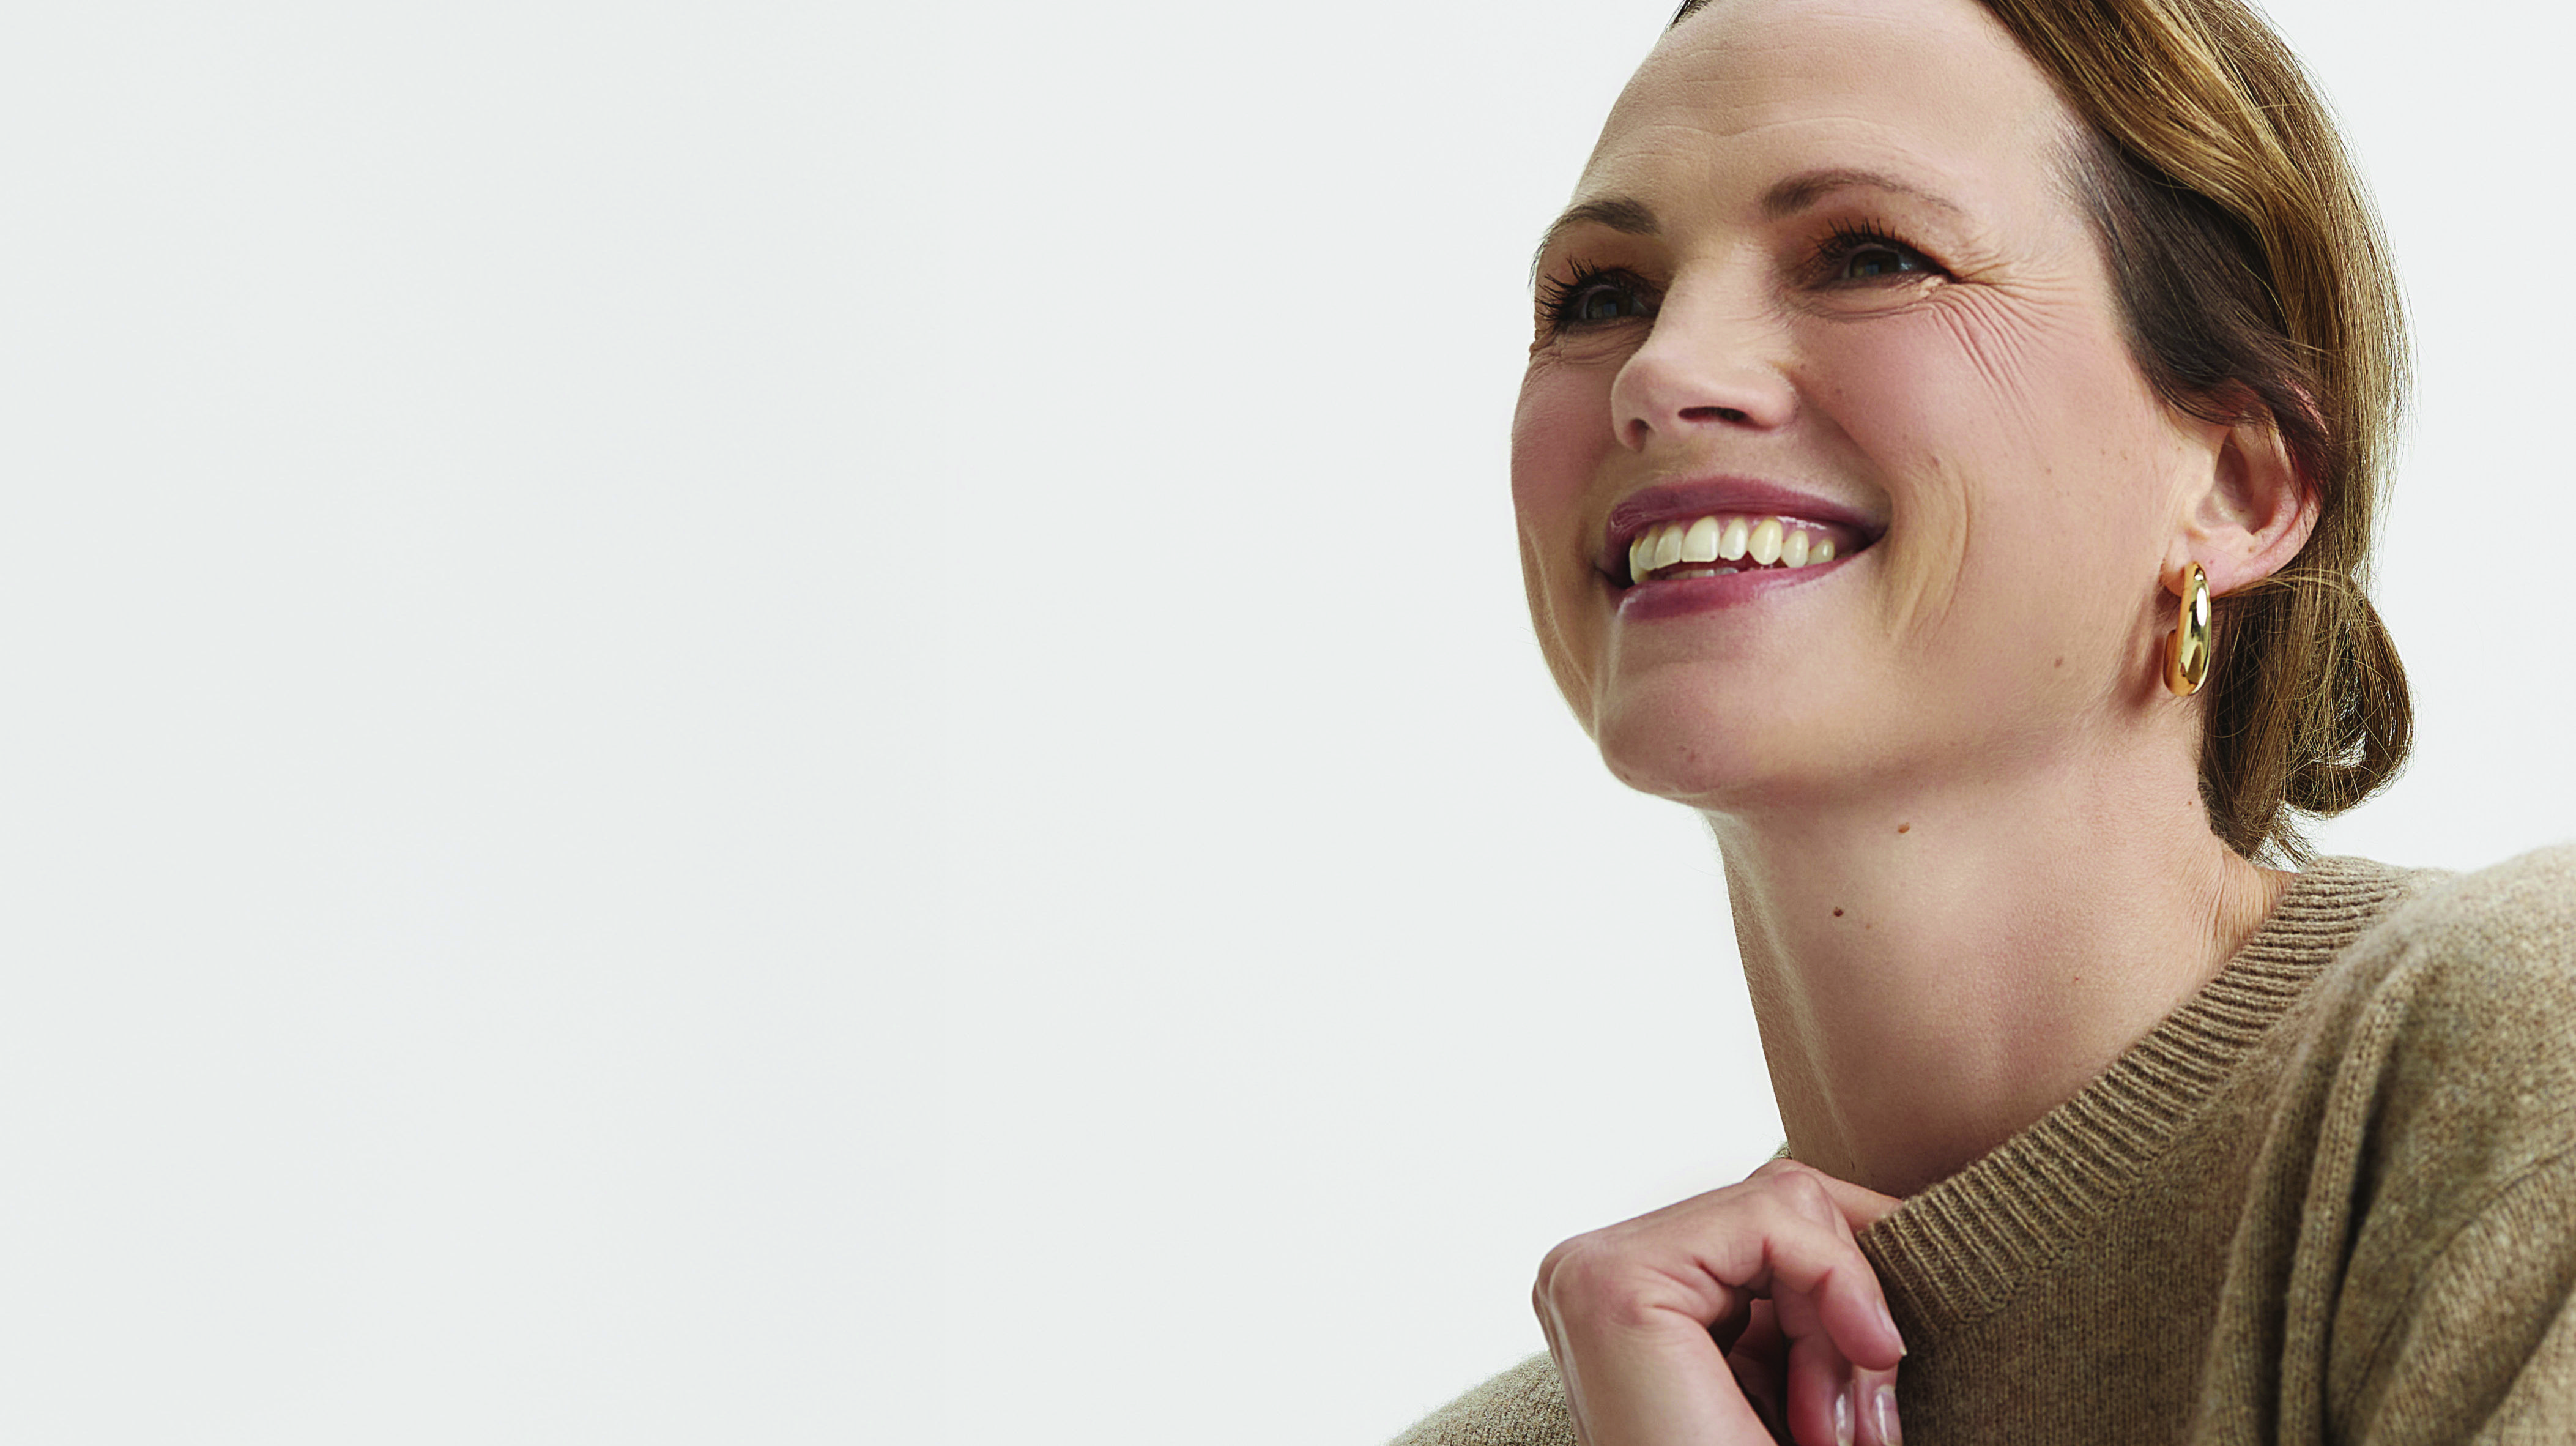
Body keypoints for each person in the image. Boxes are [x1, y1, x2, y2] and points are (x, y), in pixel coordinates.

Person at [1388, 0, 2576, 1440]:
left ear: (2236, 486)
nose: (1660, 372)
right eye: (1598, 296)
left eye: (1869, 256)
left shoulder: (2516, 1063)